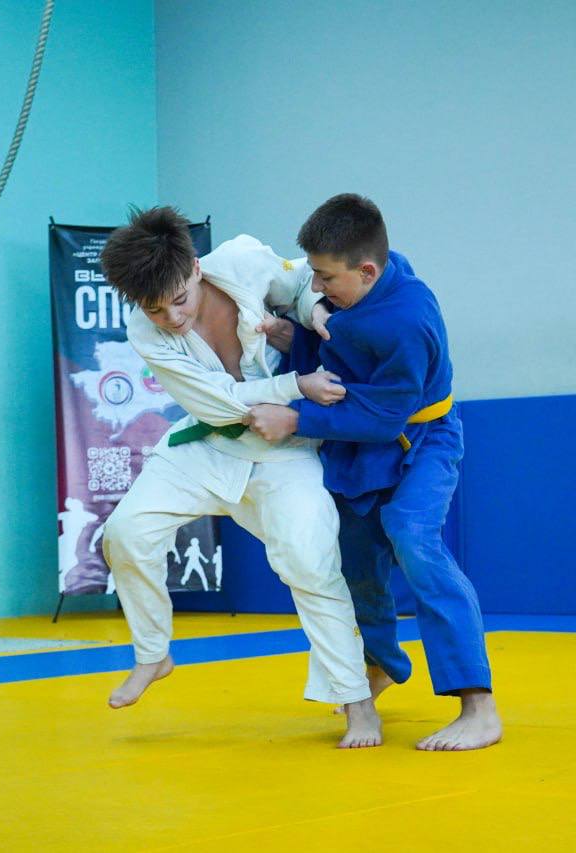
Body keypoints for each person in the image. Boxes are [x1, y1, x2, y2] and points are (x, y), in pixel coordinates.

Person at [97, 206, 381, 749]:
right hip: (206, 443)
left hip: (286, 449)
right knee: (125, 532)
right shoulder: (144, 329)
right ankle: (153, 654)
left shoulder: (244, 260)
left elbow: (300, 283)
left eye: (179, 300)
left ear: (196, 268)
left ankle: (356, 701)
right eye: (155, 309)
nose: (171, 317)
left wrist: (314, 310)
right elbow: (220, 403)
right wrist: (296, 385)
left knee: (309, 562)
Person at [245, 194, 503, 751]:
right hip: (362, 443)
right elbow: (341, 344)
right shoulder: (376, 274)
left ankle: (478, 705)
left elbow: (384, 416)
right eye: (315, 273)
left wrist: (295, 418)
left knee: (413, 538)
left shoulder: (407, 320)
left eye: (326, 278)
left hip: (422, 438)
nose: (316, 285)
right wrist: (304, 327)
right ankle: (382, 663)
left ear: (366, 270)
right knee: (355, 555)